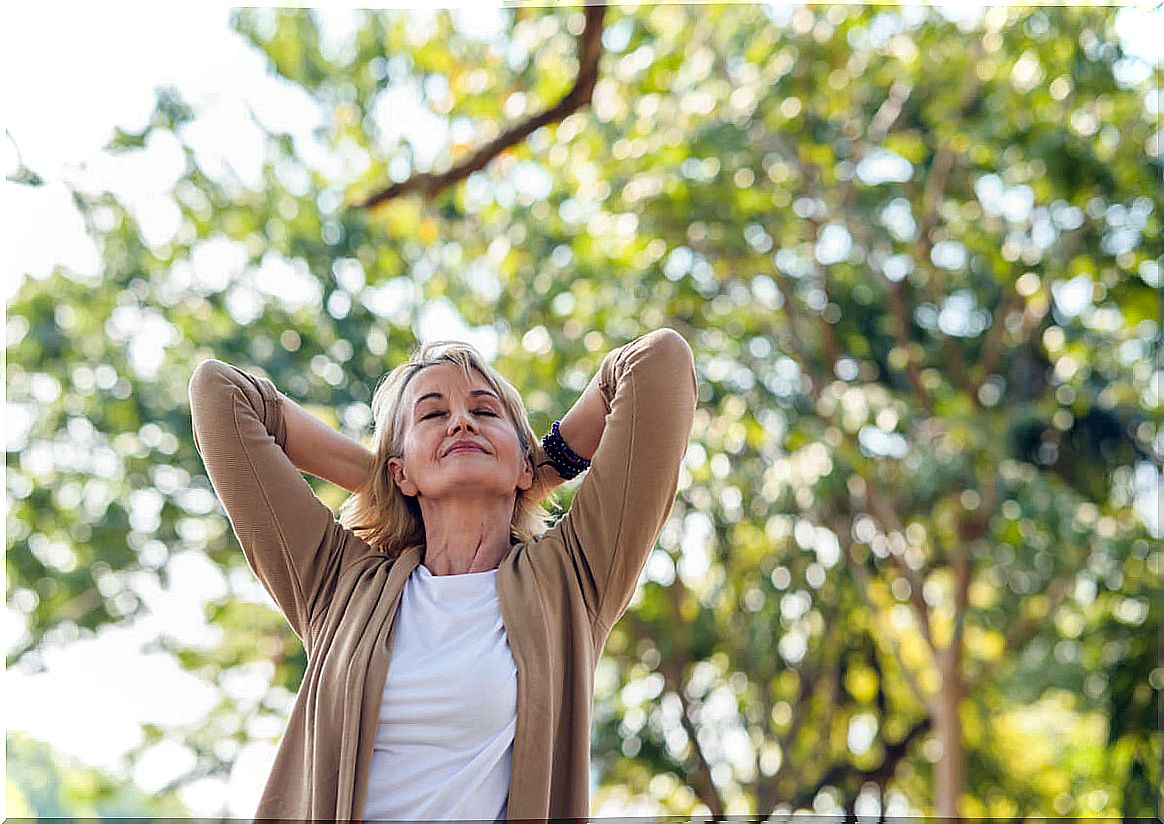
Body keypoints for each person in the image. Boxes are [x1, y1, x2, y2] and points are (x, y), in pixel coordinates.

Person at [187, 326, 697, 822]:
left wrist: (535, 470)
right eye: (433, 414)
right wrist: (389, 479)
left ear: (523, 462)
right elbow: (221, 394)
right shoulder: (338, 584)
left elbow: (657, 363)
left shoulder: (572, 577)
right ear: (399, 470)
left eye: (483, 411)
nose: (461, 423)